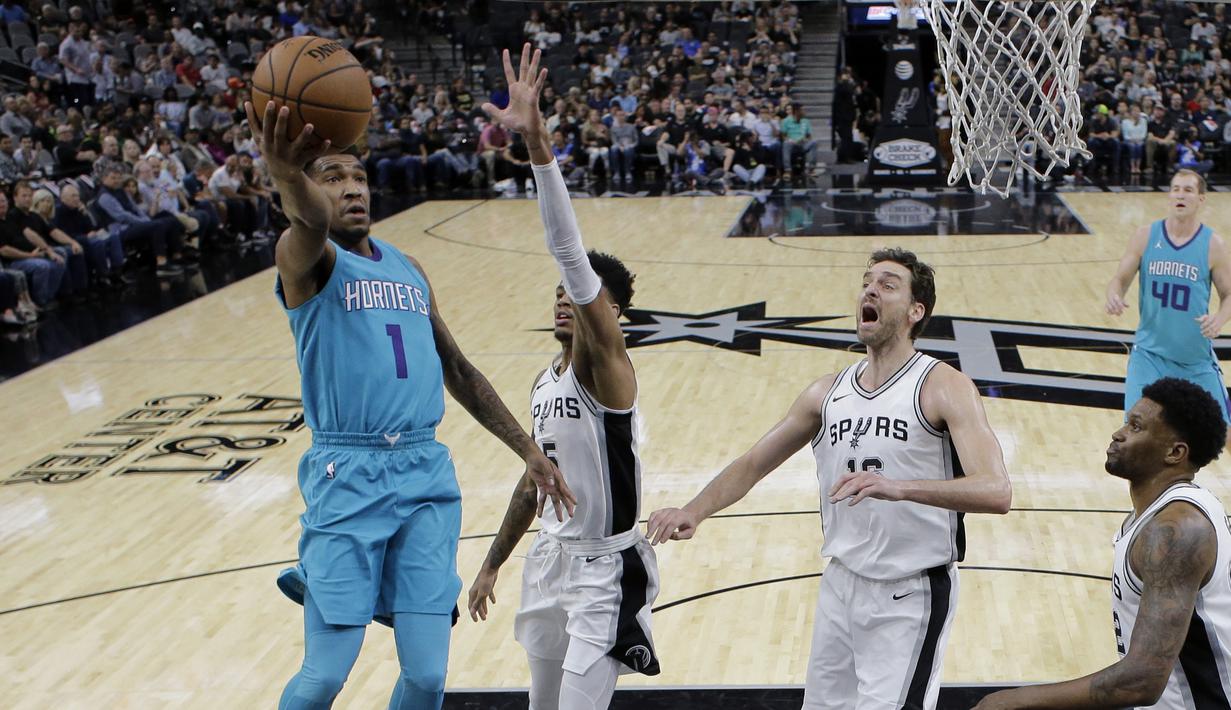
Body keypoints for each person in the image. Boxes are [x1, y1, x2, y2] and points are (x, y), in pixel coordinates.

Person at [241, 97, 574, 710]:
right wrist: (287, 173)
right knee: (323, 677)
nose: (352, 189)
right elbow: (308, 223)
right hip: (348, 475)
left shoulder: (408, 267)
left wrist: (527, 449)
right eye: (332, 177)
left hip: (425, 473)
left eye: (359, 176)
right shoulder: (305, 258)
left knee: (426, 678)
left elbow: (458, 369)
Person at [647, 247, 1012, 710]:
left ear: (915, 311)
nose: (870, 289)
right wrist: (693, 510)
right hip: (840, 585)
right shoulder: (828, 391)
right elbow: (755, 462)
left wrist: (901, 488)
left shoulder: (942, 385)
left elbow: (997, 490)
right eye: (867, 281)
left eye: (887, 284)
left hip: (910, 592)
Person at [467, 45, 660, 710]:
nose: (562, 296)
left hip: (605, 571)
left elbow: (567, 252)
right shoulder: (545, 383)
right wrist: (493, 561)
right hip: (548, 562)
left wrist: (540, 147)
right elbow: (533, 480)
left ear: (608, 313)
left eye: (575, 294)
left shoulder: (602, 367)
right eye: (555, 291)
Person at [976, 377, 1231, 709]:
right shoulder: (1171, 512)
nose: (1118, 433)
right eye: (1127, 421)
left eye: (1136, 427)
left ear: (1175, 452)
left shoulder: (1176, 530)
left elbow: (1142, 680)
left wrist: (1015, 699)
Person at [1105, 169, 1231, 427]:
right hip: (1149, 355)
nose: (1180, 195)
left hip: (1194, 358)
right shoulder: (1146, 236)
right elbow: (1119, 279)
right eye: (1175, 189)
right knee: (1134, 429)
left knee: (1224, 432)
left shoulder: (1212, 244)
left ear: (1201, 199)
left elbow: (1229, 294)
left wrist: (1219, 319)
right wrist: (1114, 295)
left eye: (1188, 190)